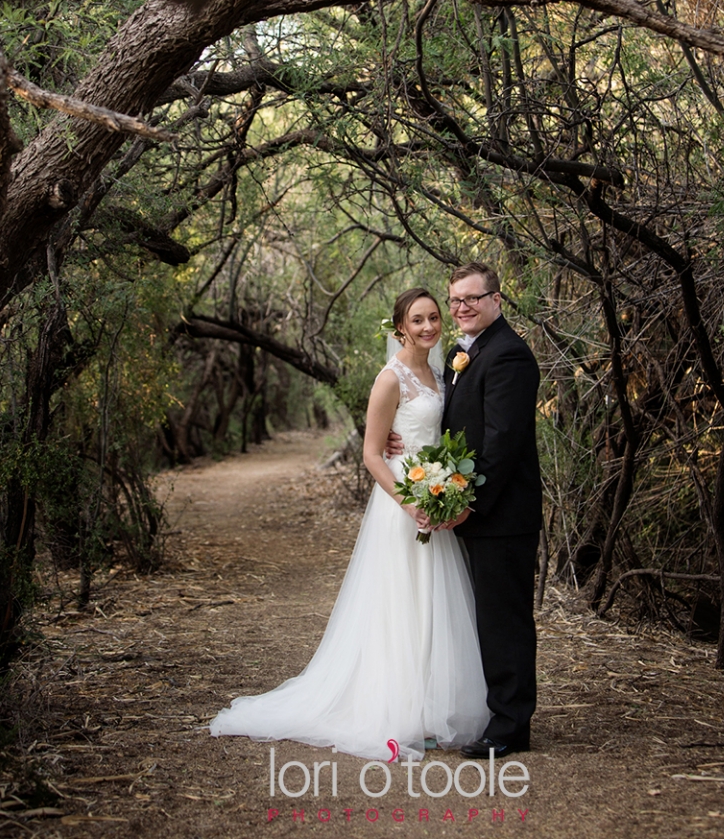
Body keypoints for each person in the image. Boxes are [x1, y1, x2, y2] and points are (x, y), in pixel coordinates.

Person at [208, 287, 487, 761]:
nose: (428, 327)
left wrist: (444, 487)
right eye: (417, 320)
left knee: (433, 600)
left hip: (434, 489)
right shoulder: (390, 376)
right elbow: (371, 453)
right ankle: (396, 708)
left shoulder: (444, 371)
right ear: (400, 327)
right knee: (400, 602)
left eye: (434, 318)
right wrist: (407, 503)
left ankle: (431, 707)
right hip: (403, 498)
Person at [440, 262, 541, 758]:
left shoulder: (510, 357)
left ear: (496, 300)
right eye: (455, 300)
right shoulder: (462, 354)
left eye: (471, 299)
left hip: (502, 517)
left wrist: (469, 506)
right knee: (481, 619)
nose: (461, 308)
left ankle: (510, 727)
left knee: (505, 622)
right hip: (474, 512)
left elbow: (500, 445)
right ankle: (490, 712)